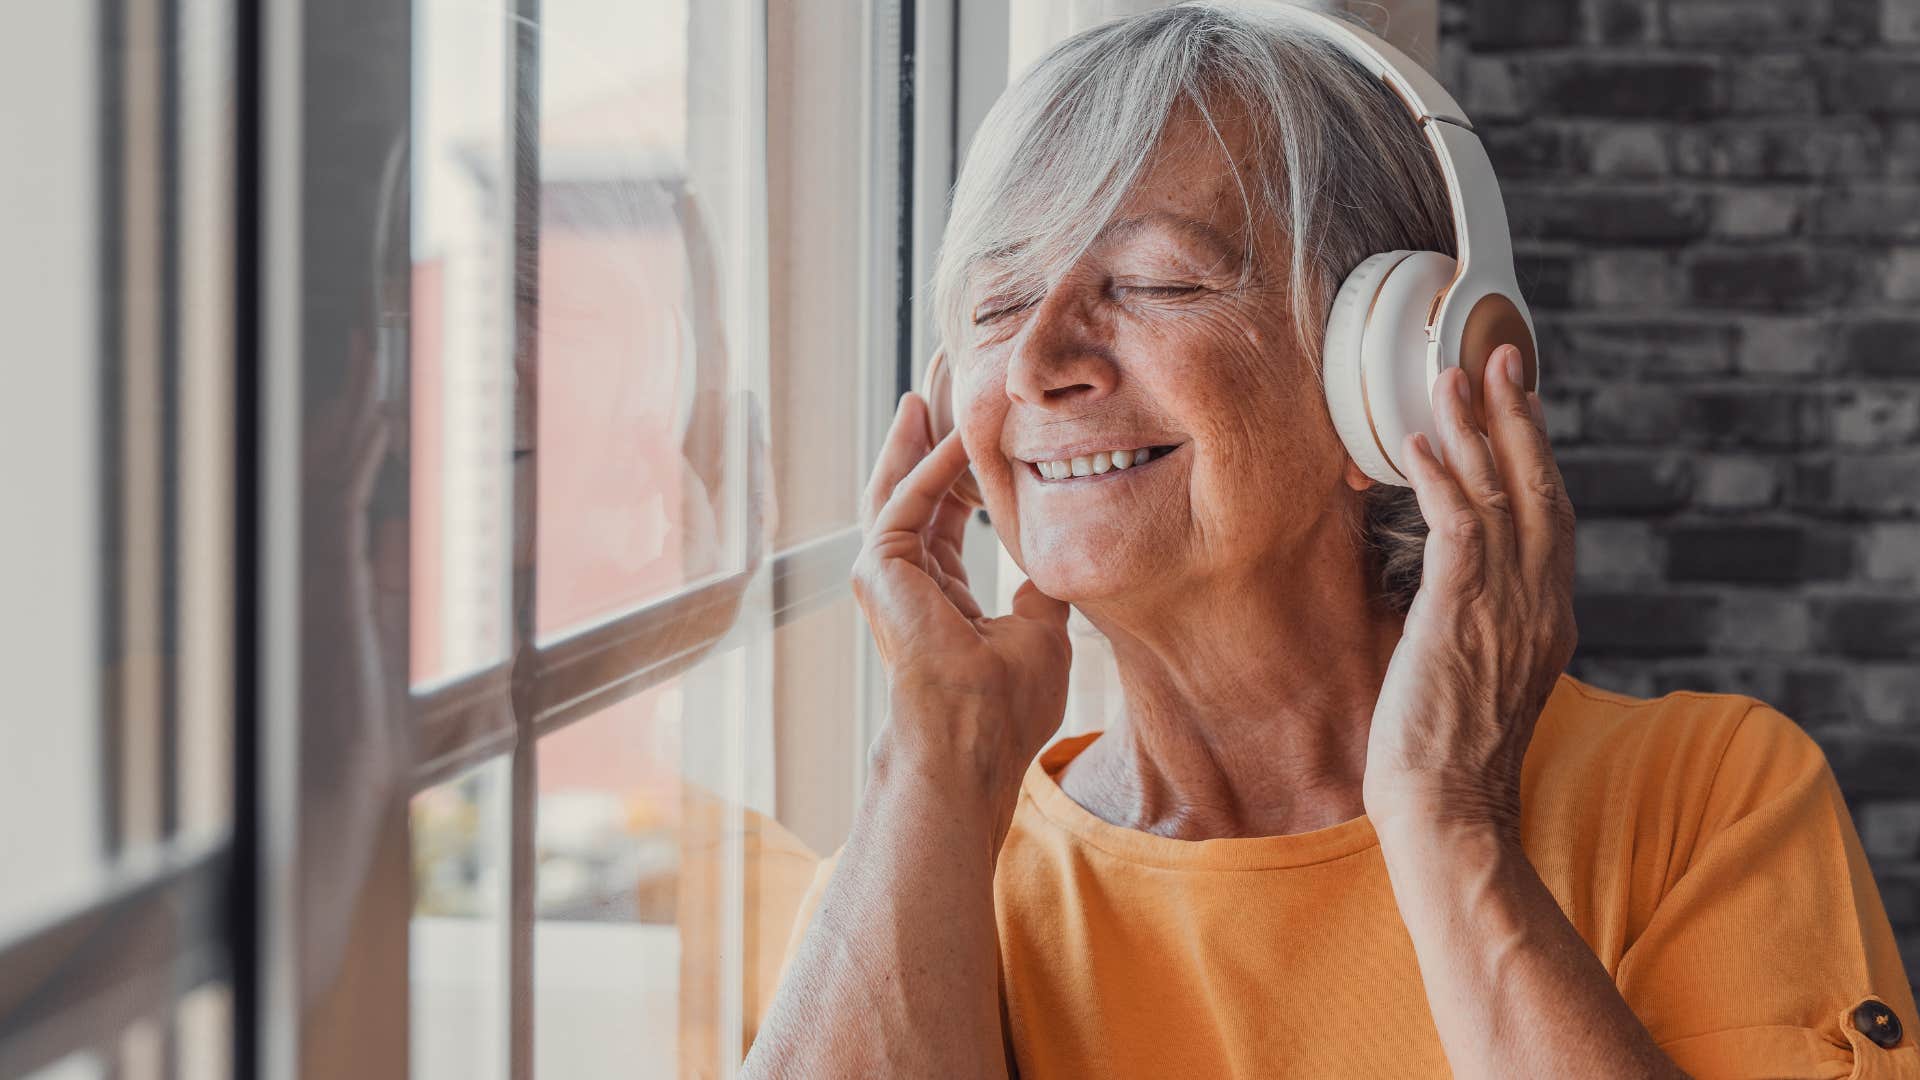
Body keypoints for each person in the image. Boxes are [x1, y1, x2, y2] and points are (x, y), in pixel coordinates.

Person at [742, 4, 1919, 1077]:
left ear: (1398, 374)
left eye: (1155, 282)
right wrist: (936, 752)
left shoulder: (1713, 799)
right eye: (998, 308)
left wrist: (1452, 822)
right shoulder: (926, 871)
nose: (1041, 362)